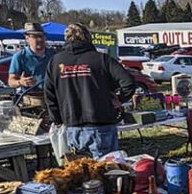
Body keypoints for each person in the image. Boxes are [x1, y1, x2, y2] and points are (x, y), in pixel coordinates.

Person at [44, 23, 136, 158]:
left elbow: (49, 95)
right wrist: (118, 99)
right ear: (88, 38)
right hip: (101, 125)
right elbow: (128, 82)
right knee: (107, 172)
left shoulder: (55, 61)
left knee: (82, 172)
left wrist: (58, 119)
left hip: (72, 127)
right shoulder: (101, 59)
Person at [8, 22, 54, 89]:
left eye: (41, 36)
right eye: (35, 37)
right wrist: (21, 82)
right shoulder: (20, 57)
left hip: (52, 97)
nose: (40, 39)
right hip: (31, 97)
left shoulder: (53, 55)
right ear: (27, 38)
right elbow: (11, 82)